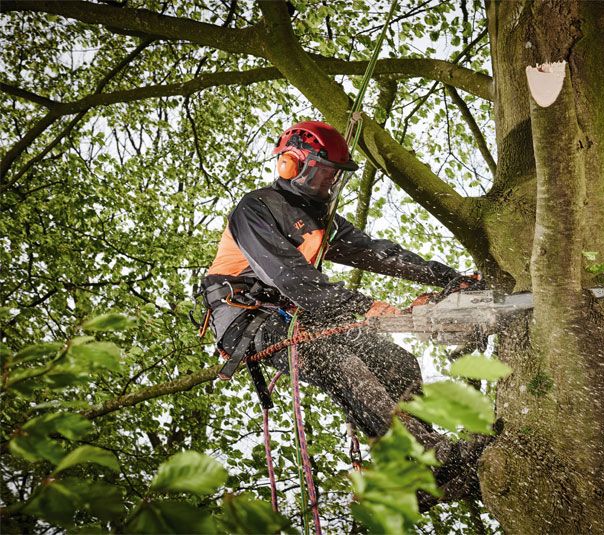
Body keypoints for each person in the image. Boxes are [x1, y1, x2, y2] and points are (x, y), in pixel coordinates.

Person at [199, 121, 482, 484]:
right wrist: (363, 305)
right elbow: (289, 276)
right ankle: (429, 456)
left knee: (397, 362)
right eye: (322, 173)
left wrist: (448, 277)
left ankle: (420, 472)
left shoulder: (323, 218)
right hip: (246, 318)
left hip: (297, 315)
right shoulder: (256, 209)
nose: (328, 183)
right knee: (337, 361)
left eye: (334, 175)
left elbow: (379, 254)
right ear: (291, 164)